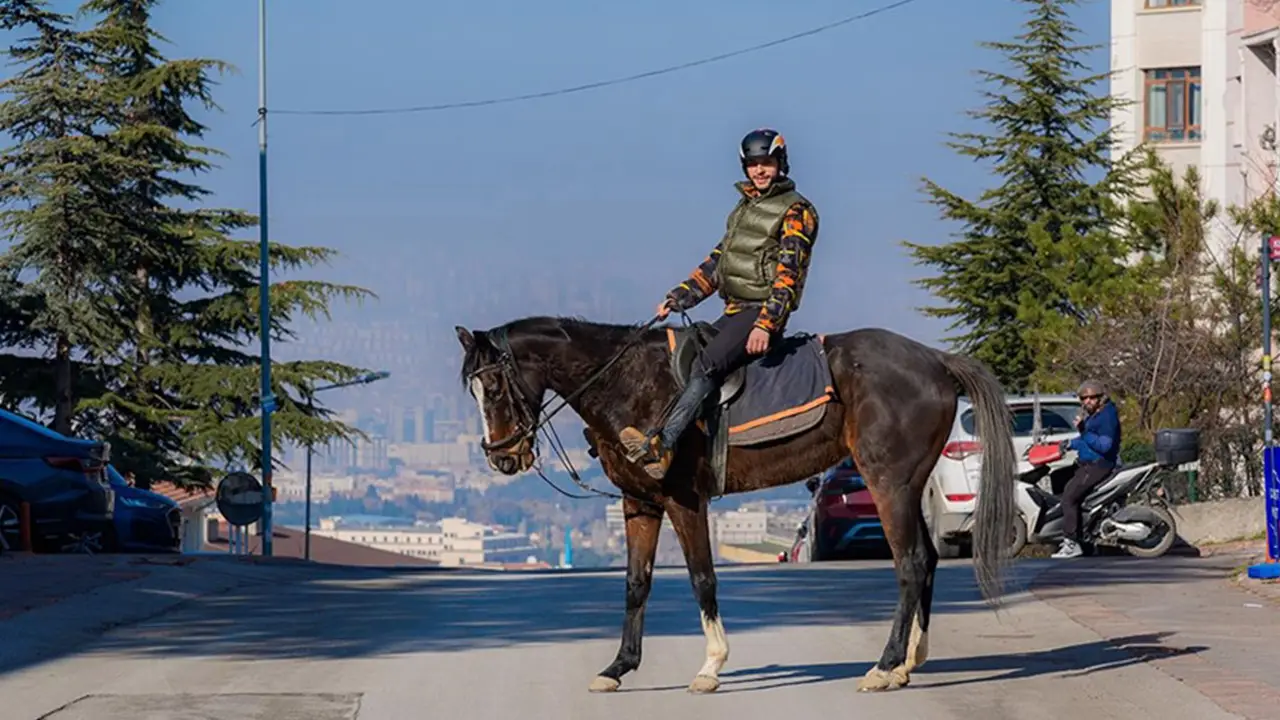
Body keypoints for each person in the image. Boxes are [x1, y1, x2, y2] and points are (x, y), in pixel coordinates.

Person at [619, 128, 820, 480]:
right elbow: (718, 263)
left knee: (709, 362)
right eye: (754, 164)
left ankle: (665, 445)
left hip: (759, 311)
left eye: (767, 164)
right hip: (734, 311)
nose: (760, 171)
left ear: (781, 164)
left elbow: (790, 273)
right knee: (685, 351)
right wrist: (679, 296)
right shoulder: (744, 209)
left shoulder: (796, 211)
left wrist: (766, 324)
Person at [1052, 379, 1122, 559]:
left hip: (1099, 464)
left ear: (1101, 398)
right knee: (1059, 483)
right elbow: (1087, 441)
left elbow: (1104, 446)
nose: (1087, 401)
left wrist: (1083, 431)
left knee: (1069, 496)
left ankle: (1071, 543)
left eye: (1092, 398)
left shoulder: (1107, 417)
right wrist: (1069, 444)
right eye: (1084, 398)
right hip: (1088, 462)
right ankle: (1085, 540)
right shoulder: (1094, 415)